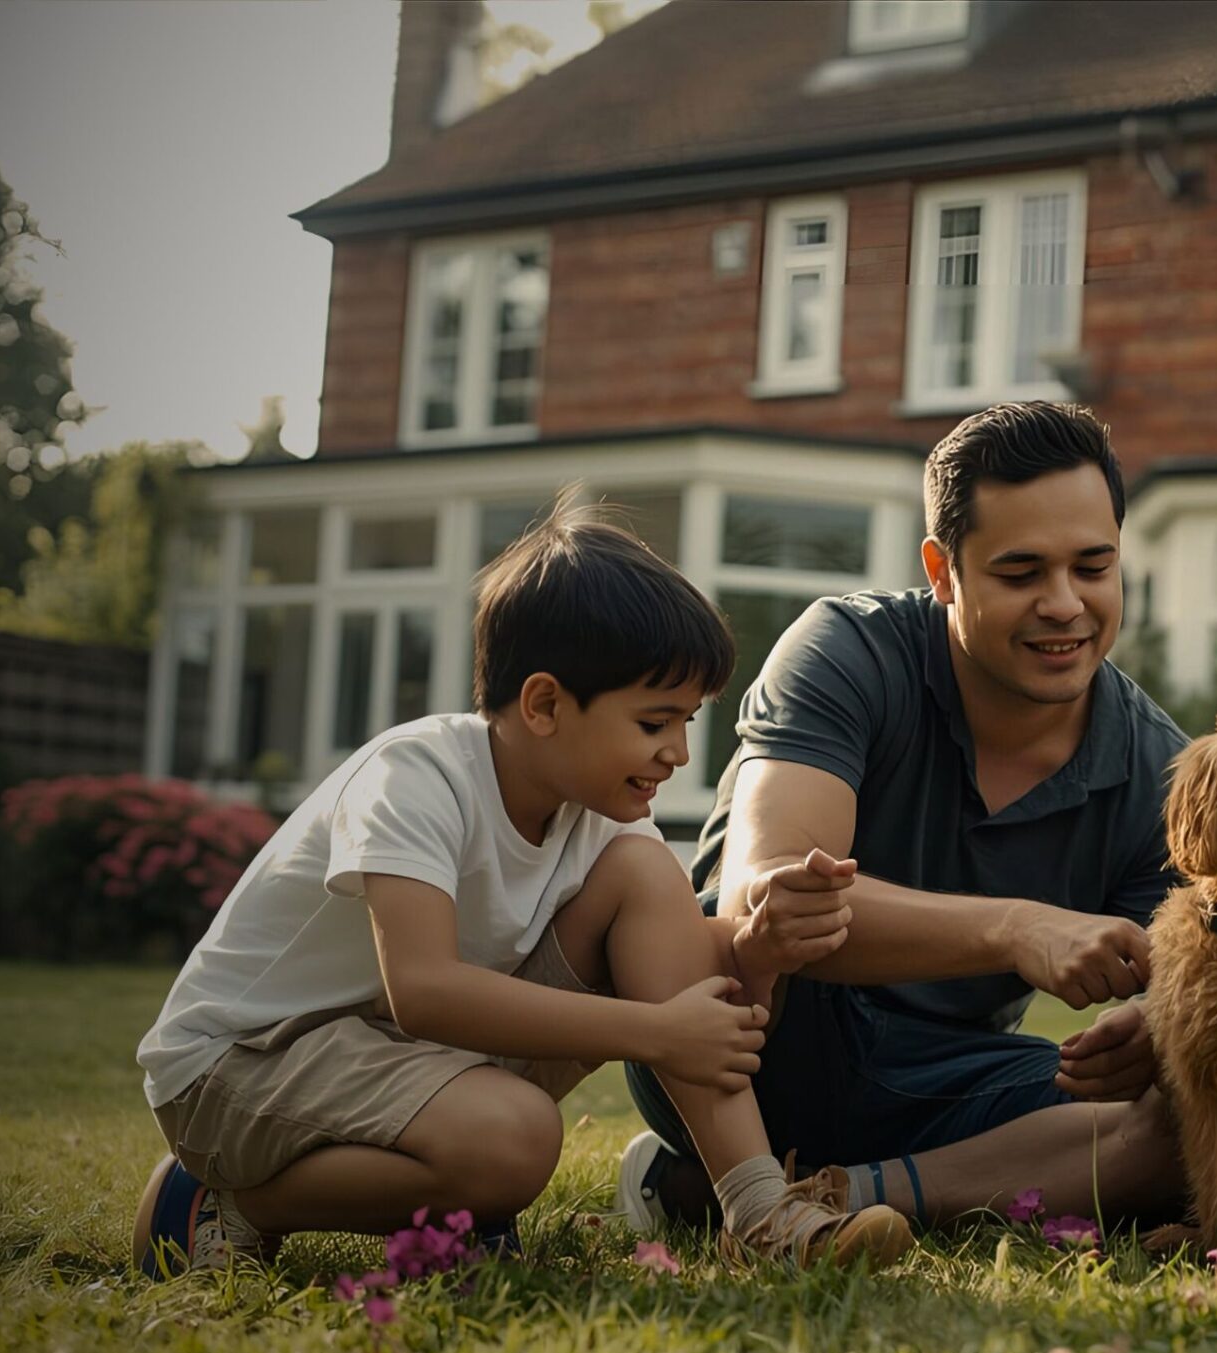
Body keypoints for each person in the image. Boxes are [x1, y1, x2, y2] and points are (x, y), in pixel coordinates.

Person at [132, 493, 911, 1275]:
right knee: (517, 1141)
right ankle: (224, 1199)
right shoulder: (416, 779)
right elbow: (426, 991)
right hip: (243, 1062)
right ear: (544, 704)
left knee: (644, 875)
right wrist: (655, 1032)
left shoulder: (605, 818)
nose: (678, 752)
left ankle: (759, 1211)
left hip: (394, 1052)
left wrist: (758, 947)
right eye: (653, 722)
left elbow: (678, 967)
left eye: (687, 722)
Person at [618, 401, 1191, 1235]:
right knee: (728, 950)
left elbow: (1187, 982)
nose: (1065, 604)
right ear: (942, 570)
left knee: (1202, 1115)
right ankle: (745, 1169)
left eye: (1093, 567)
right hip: (755, 1044)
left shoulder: (1159, 774)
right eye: (1021, 573)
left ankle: (827, 1197)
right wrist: (1015, 928)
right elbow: (764, 908)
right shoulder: (845, 648)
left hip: (956, 1083)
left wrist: (1151, 1024)